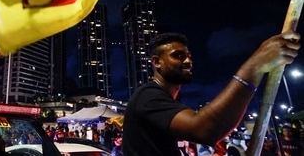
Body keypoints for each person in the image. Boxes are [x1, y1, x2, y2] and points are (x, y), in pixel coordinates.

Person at [122, 31, 300, 155]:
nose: (188, 61)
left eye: (189, 55)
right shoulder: (147, 96)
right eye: (178, 55)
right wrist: (255, 66)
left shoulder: (164, 99)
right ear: (156, 62)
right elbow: (205, 129)